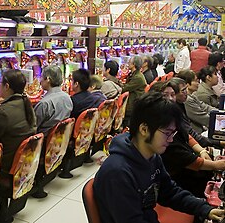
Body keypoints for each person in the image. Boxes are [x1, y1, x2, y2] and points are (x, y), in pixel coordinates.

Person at [93, 92, 225, 223]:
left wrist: (205, 209)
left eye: (173, 133)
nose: (171, 139)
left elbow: (169, 192)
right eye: (167, 133)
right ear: (144, 130)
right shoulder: (117, 173)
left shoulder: (152, 156)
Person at [0, 69, 36, 173]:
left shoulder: (2, 113)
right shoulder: (26, 103)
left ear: (7, 86)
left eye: (0, 82)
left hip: (6, 164)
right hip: (24, 159)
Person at [34, 65, 73, 136]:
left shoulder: (44, 104)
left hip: (43, 142)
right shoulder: (67, 97)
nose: (40, 80)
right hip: (59, 139)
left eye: (41, 77)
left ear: (48, 79)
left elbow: (33, 128)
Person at [122, 55, 147, 126]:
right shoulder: (133, 74)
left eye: (129, 62)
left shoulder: (138, 77)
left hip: (133, 105)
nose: (128, 63)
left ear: (134, 64)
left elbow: (125, 88)